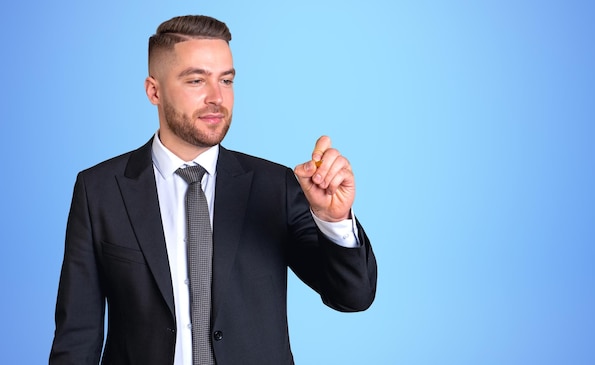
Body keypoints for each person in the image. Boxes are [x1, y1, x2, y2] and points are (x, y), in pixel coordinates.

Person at [50, 15, 377, 365]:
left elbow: (352, 297)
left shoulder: (275, 186)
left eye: (226, 80)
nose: (216, 98)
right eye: (196, 80)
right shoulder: (99, 190)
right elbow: (77, 335)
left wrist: (334, 219)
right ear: (154, 91)